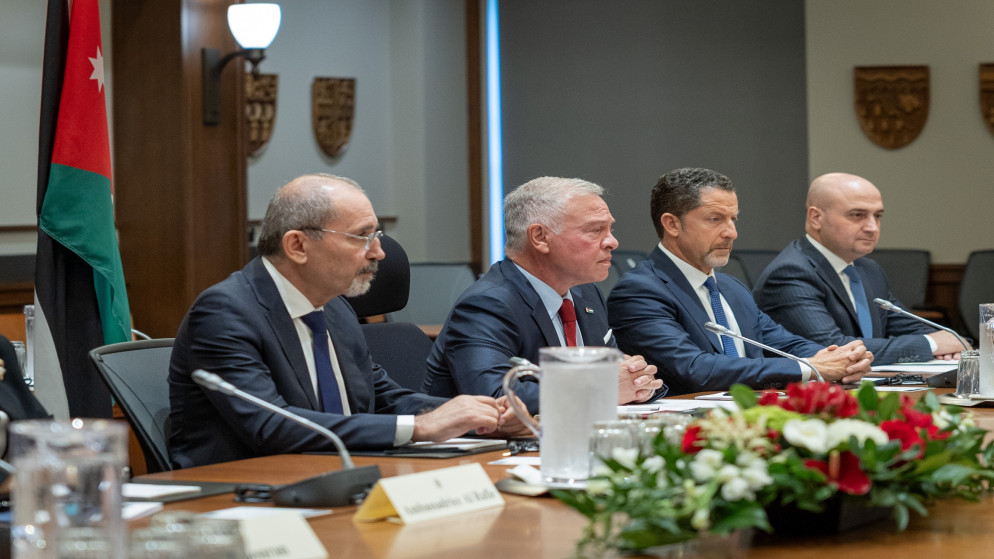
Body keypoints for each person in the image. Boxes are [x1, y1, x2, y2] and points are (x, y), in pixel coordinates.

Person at [168, 174, 517, 468]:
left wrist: (485, 416)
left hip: (340, 476)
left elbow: (382, 398)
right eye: (362, 236)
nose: (379, 252)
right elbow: (272, 426)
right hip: (243, 492)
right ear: (298, 246)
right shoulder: (226, 312)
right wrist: (420, 427)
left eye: (376, 236)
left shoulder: (335, 308)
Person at [607, 167, 872, 396]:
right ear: (672, 225)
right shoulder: (640, 291)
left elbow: (785, 344)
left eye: (733, 219)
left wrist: (843, 358)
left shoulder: (731, 288)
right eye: (715, 219)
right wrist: (812, 367)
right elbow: (695, 369)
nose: (731, 233)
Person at [422, 176, 664, 414]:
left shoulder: (586, 293)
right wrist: (600, 388)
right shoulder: (488, 305)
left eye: (610, 229)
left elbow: (619, 375)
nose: (612, 242)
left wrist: (639, 383)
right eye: (595, 230)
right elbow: (494, 396)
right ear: (540, 237)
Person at [752, 173, 969, 364]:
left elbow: (911, 327)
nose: (872, 227)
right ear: (816, 218)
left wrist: (950, 343)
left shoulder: (868, 269)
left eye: (878, 216)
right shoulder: (791, 273)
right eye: (857, 215)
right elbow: (833, 349)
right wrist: (932, 345)